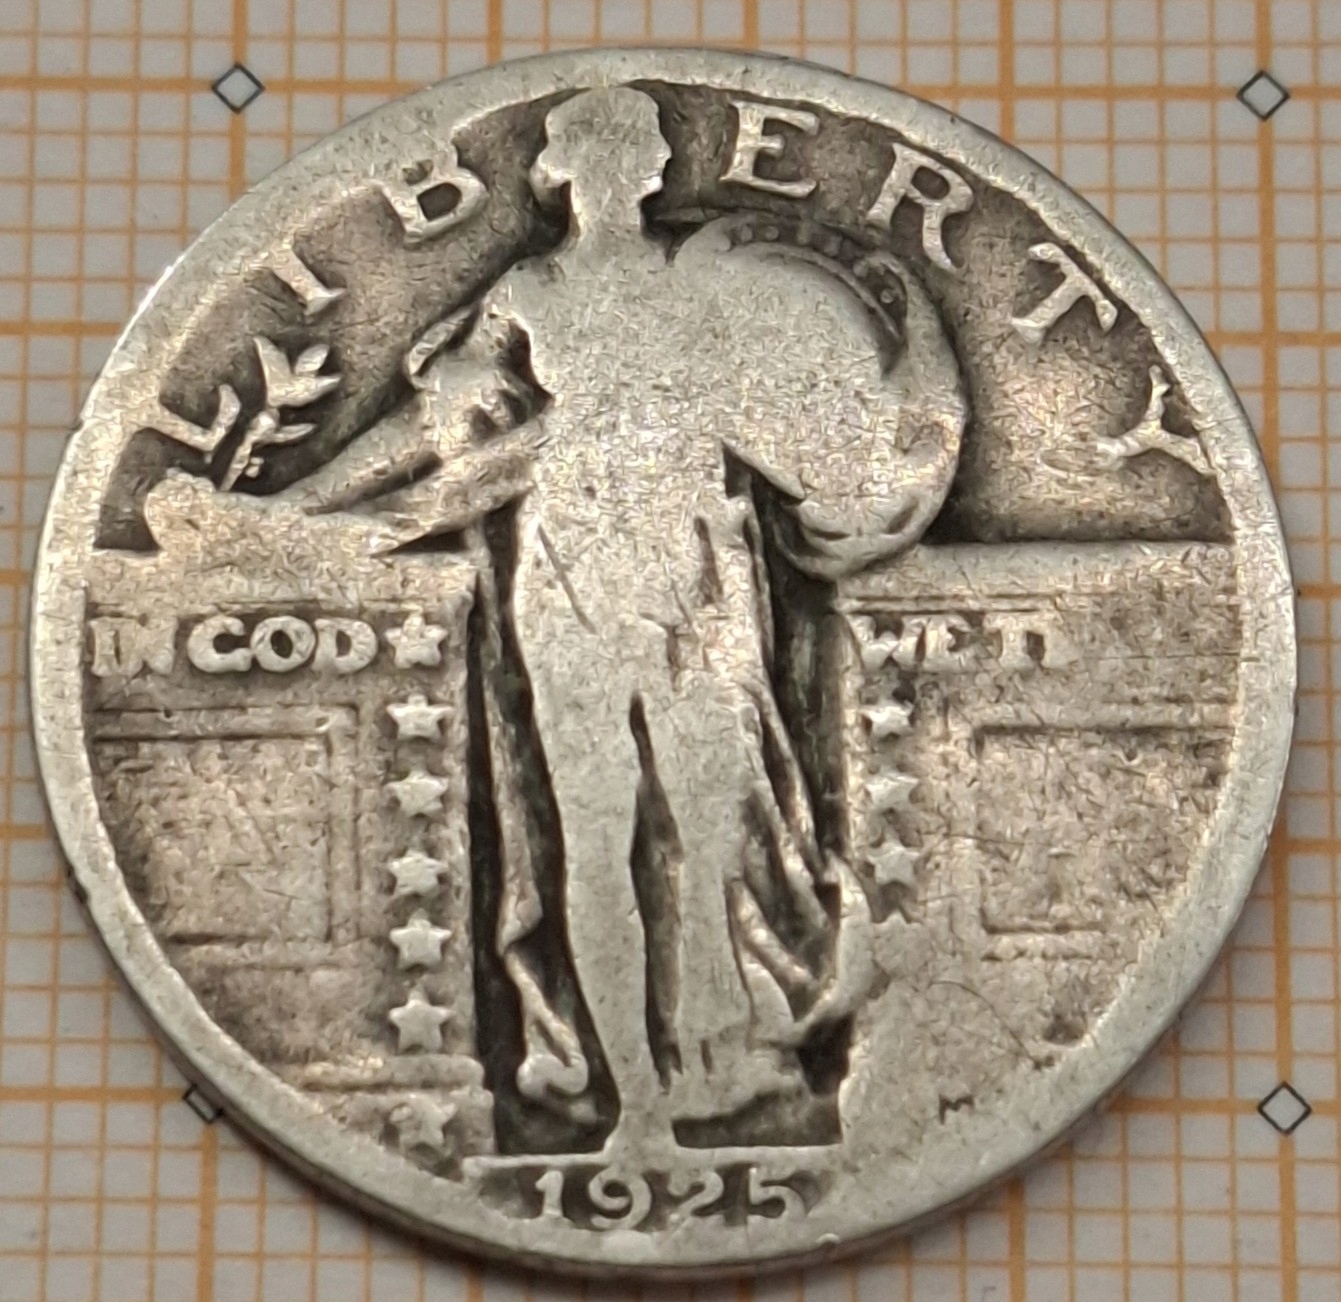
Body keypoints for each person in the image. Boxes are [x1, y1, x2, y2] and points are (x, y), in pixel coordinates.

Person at [278, 87, 967, 1160]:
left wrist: (369, 520)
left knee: (709, 826)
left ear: (647, 171)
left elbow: (788, 430)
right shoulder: (527, 292)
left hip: (694, 577)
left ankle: (721, 1068)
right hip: (567, 576)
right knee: (594, 841)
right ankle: (634, 1101)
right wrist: (305, 510)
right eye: (589, 153)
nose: (608, 172)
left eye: (625, 153)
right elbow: (440, 426)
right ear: (561, 172)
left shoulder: (710, 287)